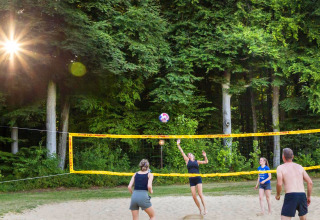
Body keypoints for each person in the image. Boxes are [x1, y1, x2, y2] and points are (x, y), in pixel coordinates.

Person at [275, 148, 313, 220]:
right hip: (302, 195)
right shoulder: (300, 167)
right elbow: (310, 182)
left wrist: (278, 195)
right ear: (292, 157)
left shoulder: (280, 168)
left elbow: (279, 184)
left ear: (283, 157)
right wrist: (308, 197)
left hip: (291, 195)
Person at [177, 139, 208, 215]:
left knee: (200, 194)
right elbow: (182, 152)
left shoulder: (197, 161)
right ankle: (200, 209)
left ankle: (205, 209)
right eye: (188, 154)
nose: (188, 155)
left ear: (193, 156)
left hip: (198, 178)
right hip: (191, 179)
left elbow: (206, 162)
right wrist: (178, 145)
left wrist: (205, 156)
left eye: (190, 154)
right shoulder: (187, 161)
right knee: (194, 196)